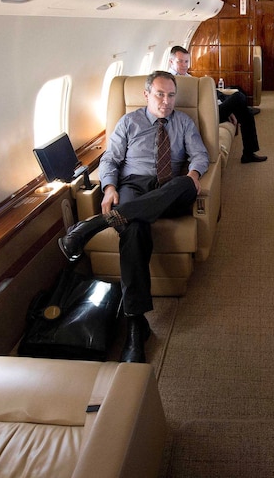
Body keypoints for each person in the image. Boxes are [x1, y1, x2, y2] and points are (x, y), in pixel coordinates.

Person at [58, 71, 209, 363]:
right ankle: (135, 325)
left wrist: (192, 174)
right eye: (160, 95)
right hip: (134, 186)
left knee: (183, 183)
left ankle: (95, 225)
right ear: (146, 95)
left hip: (171, 188)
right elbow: (111, 159)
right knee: (134, 229)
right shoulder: (129, 122)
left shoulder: (184, 122)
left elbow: (199, 155)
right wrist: (110, 188)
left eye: (171, 95)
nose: (166, 102)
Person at [168, 46, 267, 163]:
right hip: (203, 117)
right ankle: (248, 153)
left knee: (243, 110)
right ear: (171, 62)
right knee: (239, 97)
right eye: (180, 61)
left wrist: (224, 107)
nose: (184, 65)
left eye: (186, 61)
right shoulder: (170, 81)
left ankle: (248, 152)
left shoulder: (188, 77)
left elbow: (206, 97)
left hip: (210, 110)